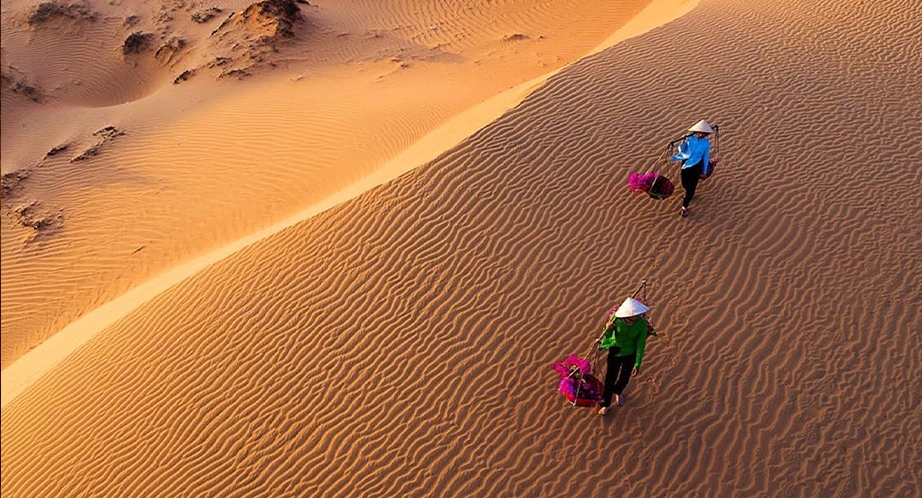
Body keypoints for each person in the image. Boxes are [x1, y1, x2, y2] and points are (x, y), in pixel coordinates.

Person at [597, 297, 653, 416]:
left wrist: (637, 363)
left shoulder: (641, 324)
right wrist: (607, 328)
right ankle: (605, 404)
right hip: (615, 352)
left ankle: (618, 391)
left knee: (624, 377)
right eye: (635, 314)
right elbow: (607, 335)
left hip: (630, 354)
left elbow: (640, 345)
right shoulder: (616, 319)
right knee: (609, 379)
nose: (637, 316)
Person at [671, 119, 714, 217]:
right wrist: (683, 141)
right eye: (700, 132)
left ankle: (684, 207)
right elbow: (682, 150)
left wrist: (704, 170)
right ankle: (689, 193)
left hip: (696, 166)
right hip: (685, 164)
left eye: (704, 133)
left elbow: (705, 157)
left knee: (691, 187)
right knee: (684, 183)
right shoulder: (689, 139)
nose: (701, 134)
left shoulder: (706, 144)